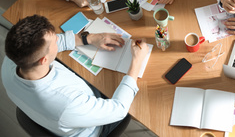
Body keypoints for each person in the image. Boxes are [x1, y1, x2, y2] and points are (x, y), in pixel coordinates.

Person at [1, 15, 149, 136]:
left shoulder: (13, 58)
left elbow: (56, 42)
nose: (59, 39)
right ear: (43, 60)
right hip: (92, 127)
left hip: (61, 113)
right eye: (55, 41)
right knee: (140, 100)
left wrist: (89, 39)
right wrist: (136, 61)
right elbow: (120, 109)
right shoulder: (68, 103)